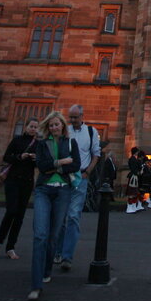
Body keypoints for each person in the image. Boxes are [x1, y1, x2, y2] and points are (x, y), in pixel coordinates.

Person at [28, 110, 79, 301]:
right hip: (43, 190)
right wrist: (61, 162)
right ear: (48, 128)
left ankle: (46, 269)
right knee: (40, 235)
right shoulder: (42, 144)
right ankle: (36, 285)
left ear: (63, 125)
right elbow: (42, 166)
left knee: (53, 237)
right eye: (51, 125)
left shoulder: (70, 142)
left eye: (57, 124)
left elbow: (76, 165)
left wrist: (54, 165)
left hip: (63, 191)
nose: (54, 127)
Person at [53, 104, 101, 272]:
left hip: (81, 178)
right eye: (70, 117)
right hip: (64, 177)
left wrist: (87, 172)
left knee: (73, 216)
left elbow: (96, 154)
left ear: (82, 116)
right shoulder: (64, 130)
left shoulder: (91, 132)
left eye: (74, 117)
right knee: (61, 216)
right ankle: (58, 251)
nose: (72, 120)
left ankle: (67, 257)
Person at [0, 117, 38, 261]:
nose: (33, 129)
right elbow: (6, 157)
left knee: (19, 216)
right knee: (11, 211)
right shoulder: (17, 140)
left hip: (27, 182)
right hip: (13, 180)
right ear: (26, 127)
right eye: (31, 126)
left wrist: (36, 159)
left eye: (36, 127)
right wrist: (20, 156)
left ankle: (10, 248)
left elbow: (40, 164)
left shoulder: (38, 144)